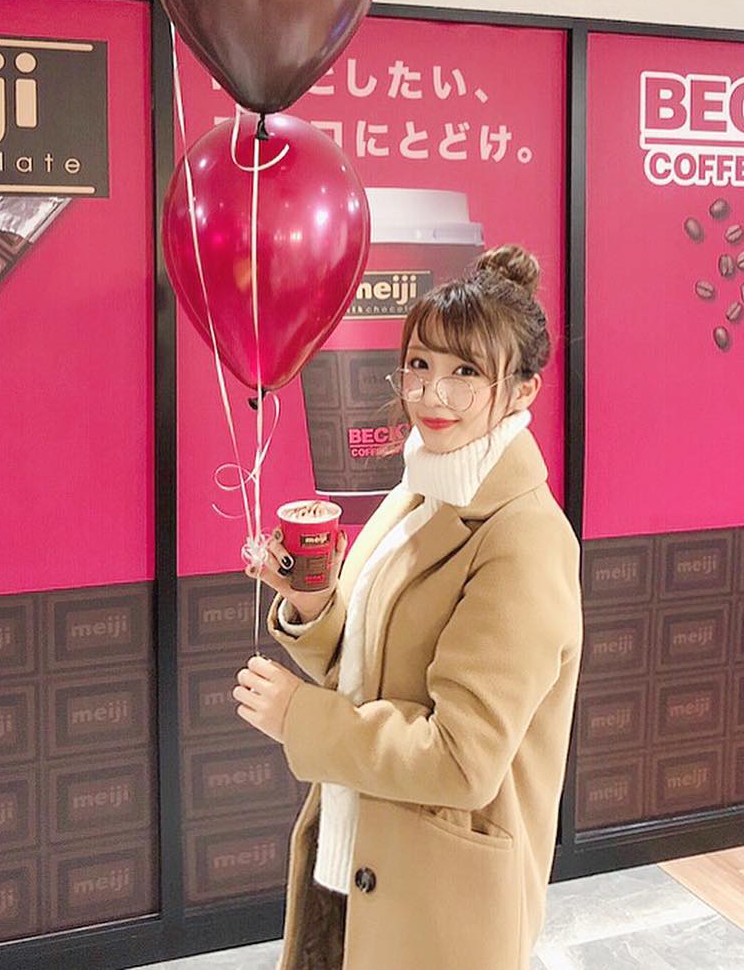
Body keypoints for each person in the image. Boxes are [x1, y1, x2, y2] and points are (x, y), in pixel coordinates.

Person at [234, 245, 583, 970]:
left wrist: (300, 718)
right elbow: (370, 669)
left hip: (438, 897)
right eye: (420, 364)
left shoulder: (523, 538)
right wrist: (313, 602)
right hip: (357, 854)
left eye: (466, 373)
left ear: (524, 390)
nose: (431, 394)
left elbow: (462, 760)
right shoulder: (420, 491)